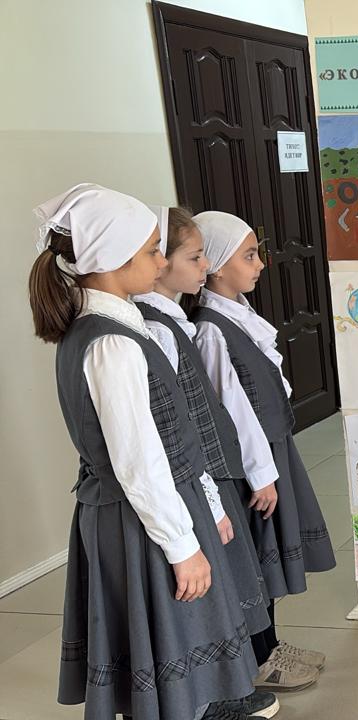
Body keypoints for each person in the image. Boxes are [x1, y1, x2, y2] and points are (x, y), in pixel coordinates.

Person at [29, 184, 260, 720]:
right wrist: (182, 546)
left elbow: (170, 434)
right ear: (115, 258)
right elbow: (138, 462)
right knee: (165, 643)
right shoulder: (110, 342)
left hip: (157, 506)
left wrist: (206, 504)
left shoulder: (118, 328)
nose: (160, 263)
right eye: (153, 250)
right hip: (140, 519)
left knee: (178, 645)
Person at [135, 206, 283, 719]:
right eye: (194, 258)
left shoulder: (173, 323)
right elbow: (177, 426)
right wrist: (211, 494)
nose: (203, 267)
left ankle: (225, 686)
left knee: (225, 583)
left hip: (206, 476)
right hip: (193, 480)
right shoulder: (154, 331)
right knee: (200, 591)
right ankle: (209, 697)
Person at [190, 211, 335, 692]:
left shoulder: (240, 316)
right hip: (252, 466)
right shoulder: (211, 329)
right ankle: (259, 657)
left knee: (268, 558)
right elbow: (230, 412)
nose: (260, 265)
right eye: (249, 256)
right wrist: (260, 473)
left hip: (270, 454)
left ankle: (270, 643)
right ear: (214, 265)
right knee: (257, 560)